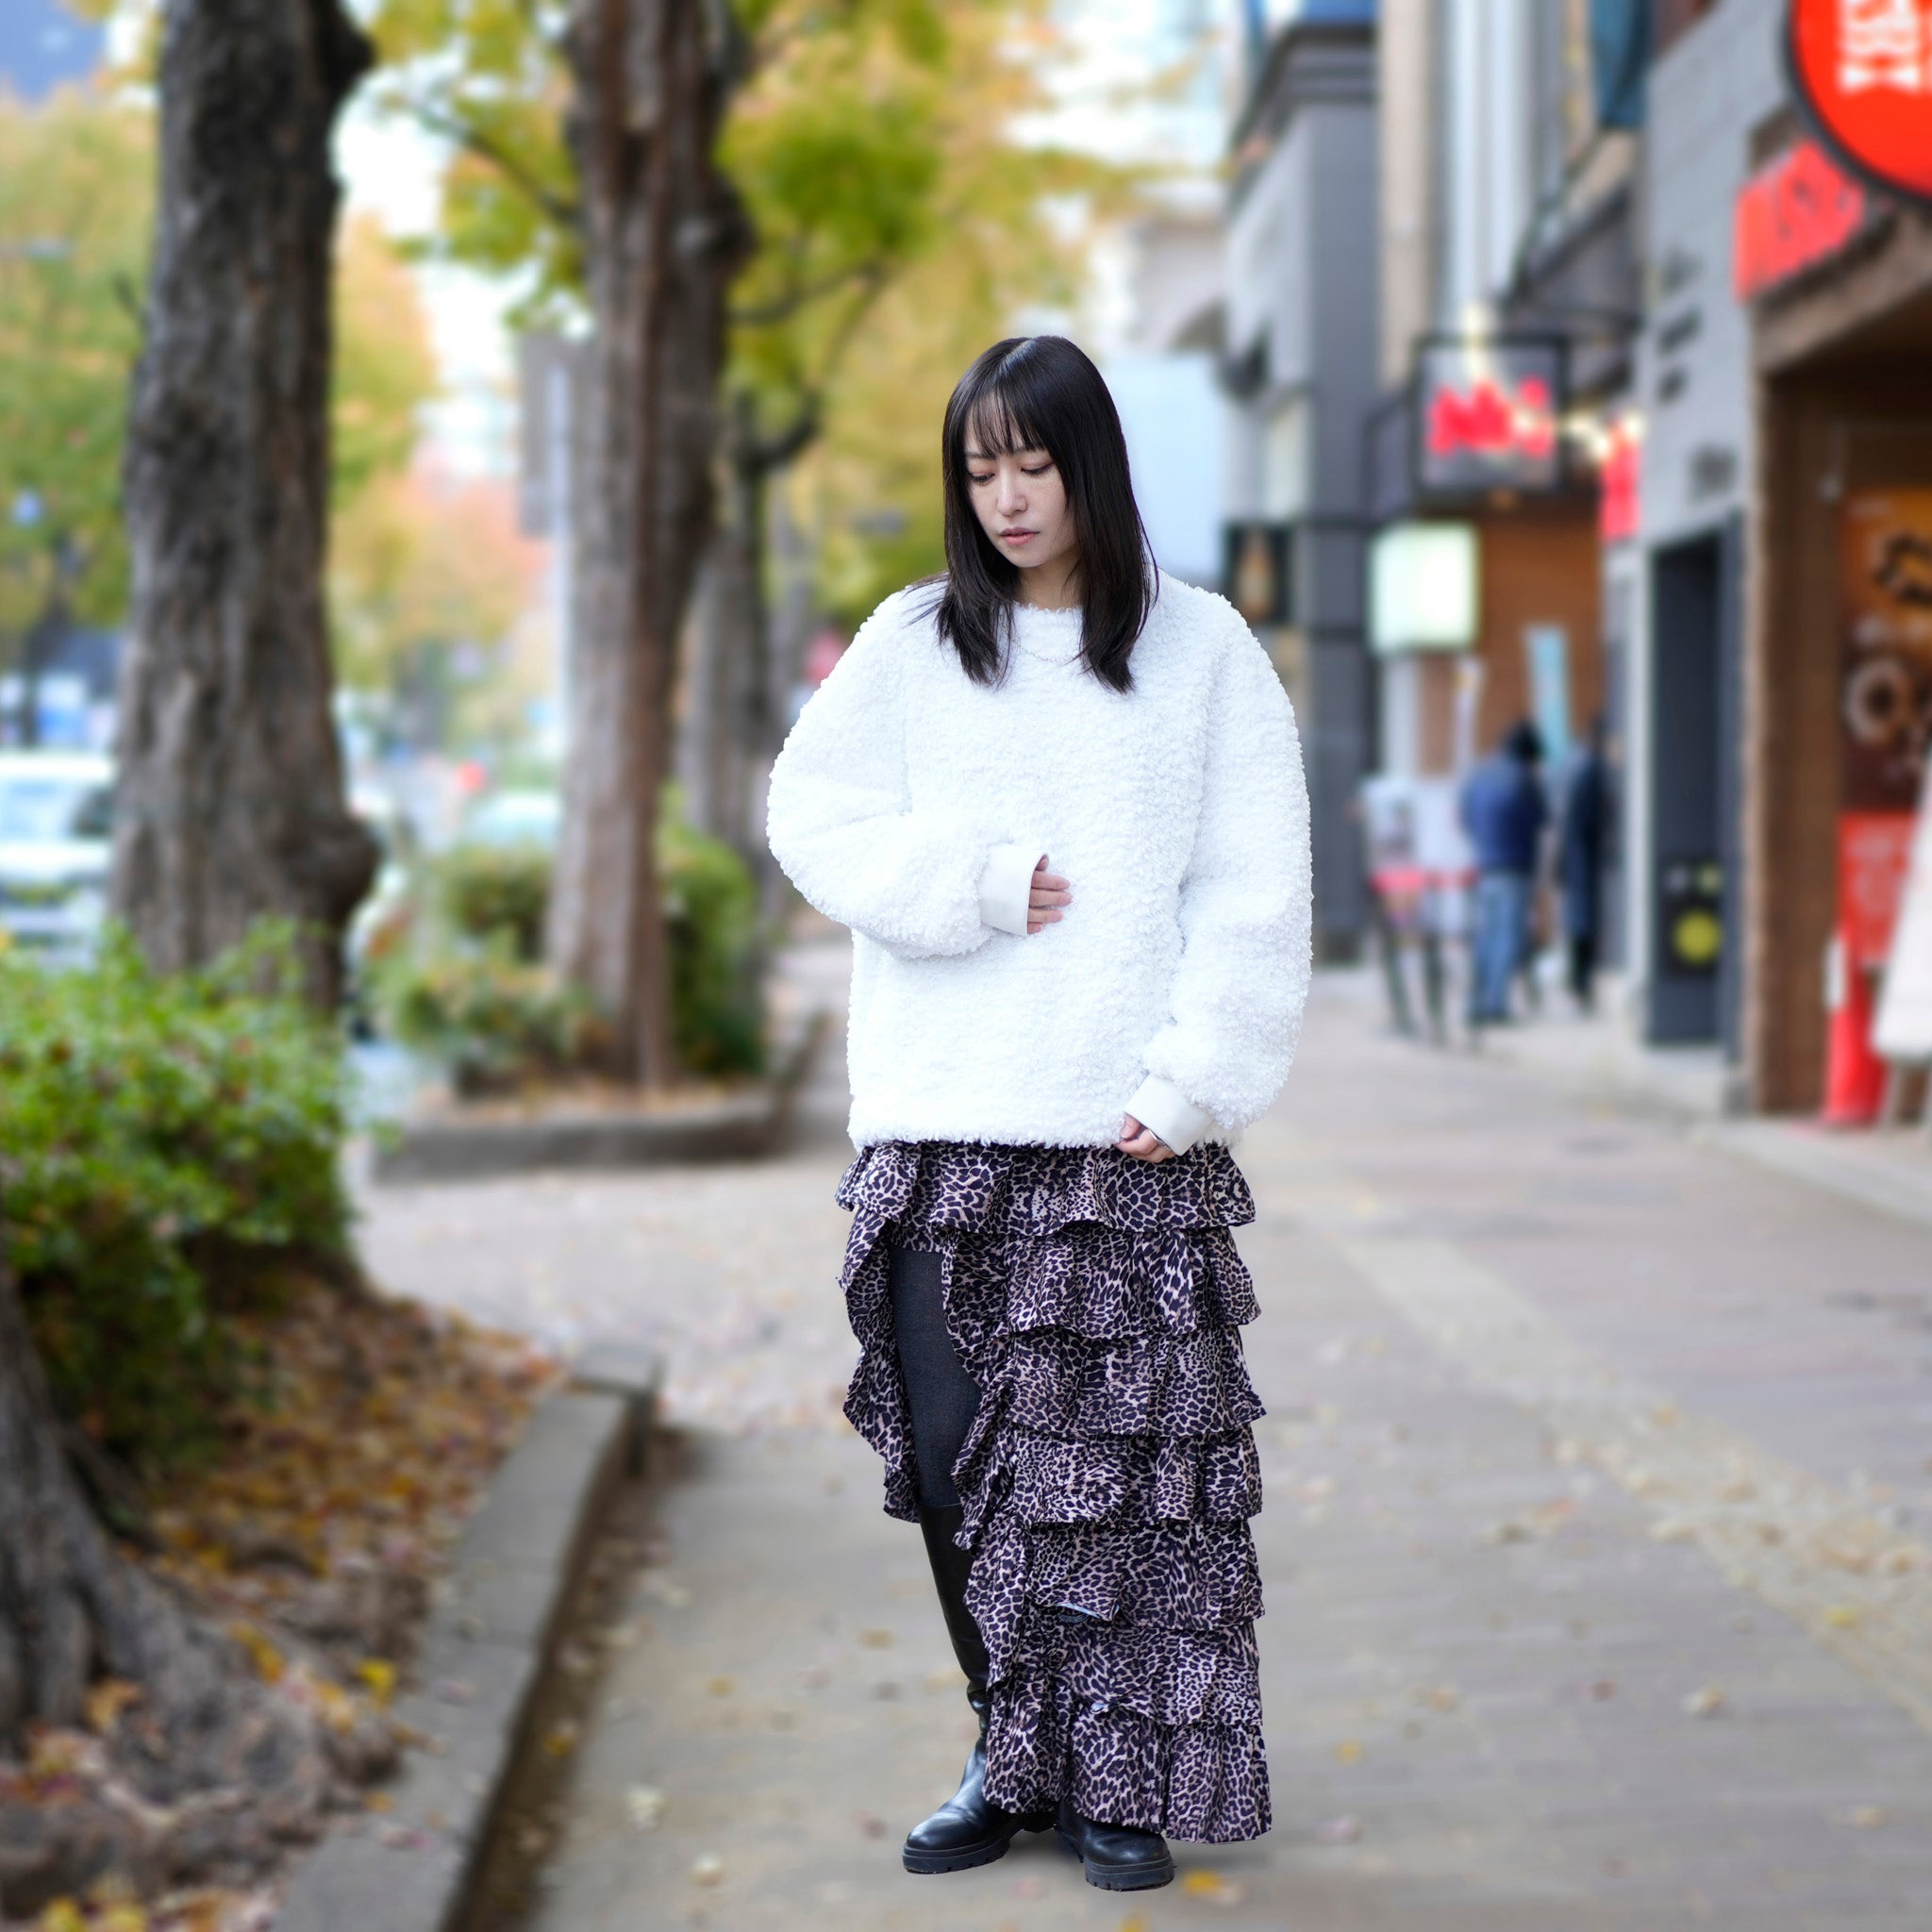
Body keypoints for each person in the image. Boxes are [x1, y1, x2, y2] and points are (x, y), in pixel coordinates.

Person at [766, 336, 1313, 1894]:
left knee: (1119, 1483)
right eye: (978, 467)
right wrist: (973, 883)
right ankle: (1008, 1746)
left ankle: (1114, 1774)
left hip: (1121, 1134)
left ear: (1090, 465)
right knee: (955, 1464)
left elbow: (1253, 891)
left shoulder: (1201, 653)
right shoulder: (912, 642)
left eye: (1033, 461)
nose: (1006, 497)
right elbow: (806, 816)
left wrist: (1192, 1078)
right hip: (942, 1120)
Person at [1458, 718, 1546, 1024]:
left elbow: (1464, 815)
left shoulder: (1480, 772)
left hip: (1485, 867)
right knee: (1507, 937)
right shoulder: (1522, 777)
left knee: (1485, 937)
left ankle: (1474, 1002)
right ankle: (1495, 1005)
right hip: (1514, 867)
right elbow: (1539, 819)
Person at [1559, 717, 1609, 1011]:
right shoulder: (1589, 768)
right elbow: (1588, 818)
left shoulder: (1573, 765)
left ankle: (1577, 980)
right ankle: (1580, 981)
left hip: (1575, 855)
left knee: (1578, 919)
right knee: (1583, 920)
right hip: (1583, 856)